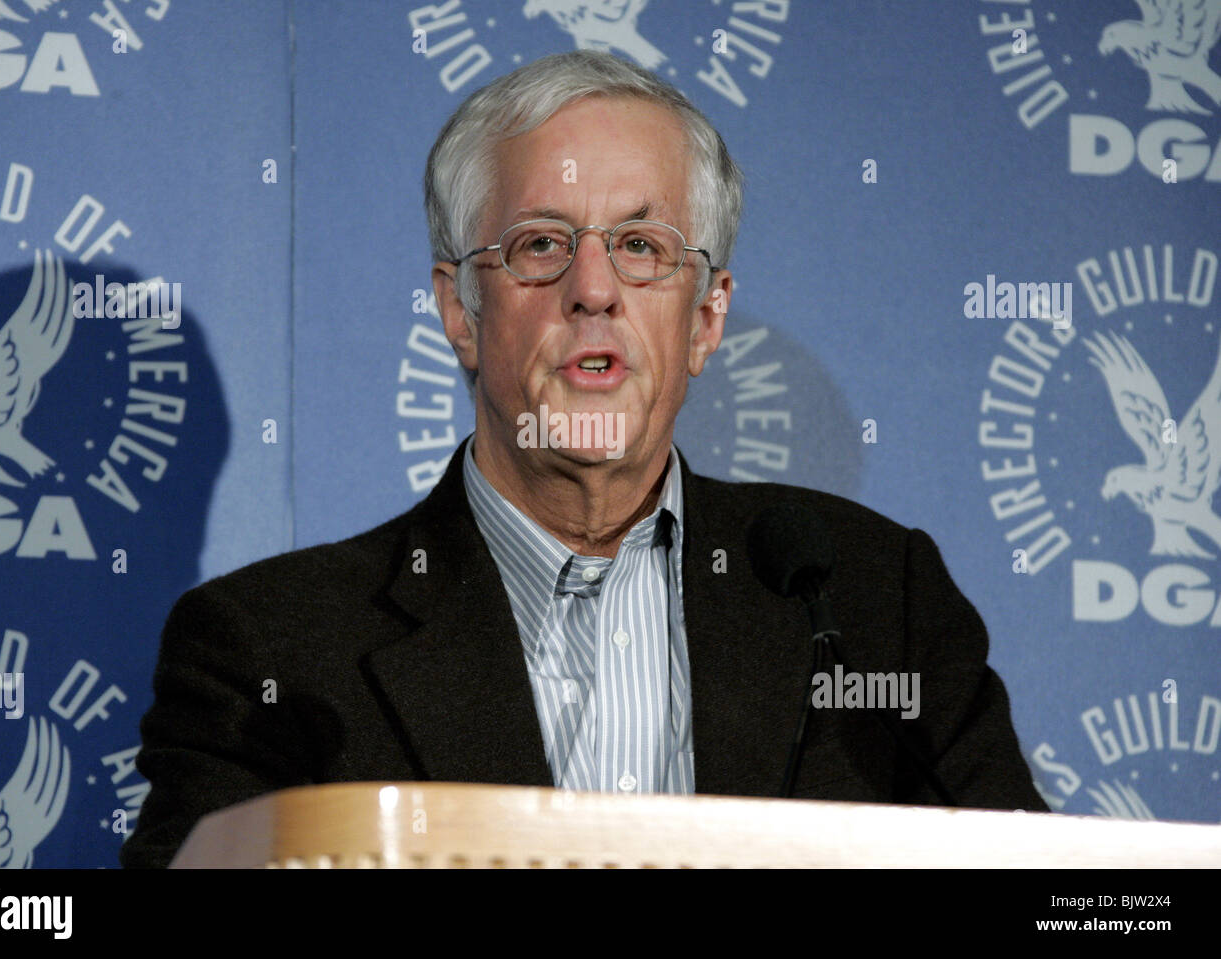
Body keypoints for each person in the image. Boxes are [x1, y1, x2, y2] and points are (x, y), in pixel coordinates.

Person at [120, 50, 1047, 869]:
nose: (593, 289)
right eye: (541, 246)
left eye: (641, 247)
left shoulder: (877, 602)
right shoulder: (271, 650)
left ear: (707, 317)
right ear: (459, 309)